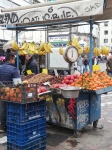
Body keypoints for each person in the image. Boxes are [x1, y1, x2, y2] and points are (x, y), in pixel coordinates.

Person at [0, 53, 20, 132]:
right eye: (14, 59)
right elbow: (17, 83)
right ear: (11, 59)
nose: (14, 61)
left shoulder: (0, 67)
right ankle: (12, 125)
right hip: (11, 92)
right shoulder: (13, 69)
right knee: (12, 108)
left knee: (2, 108)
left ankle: (2, 126)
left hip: (1, 91)